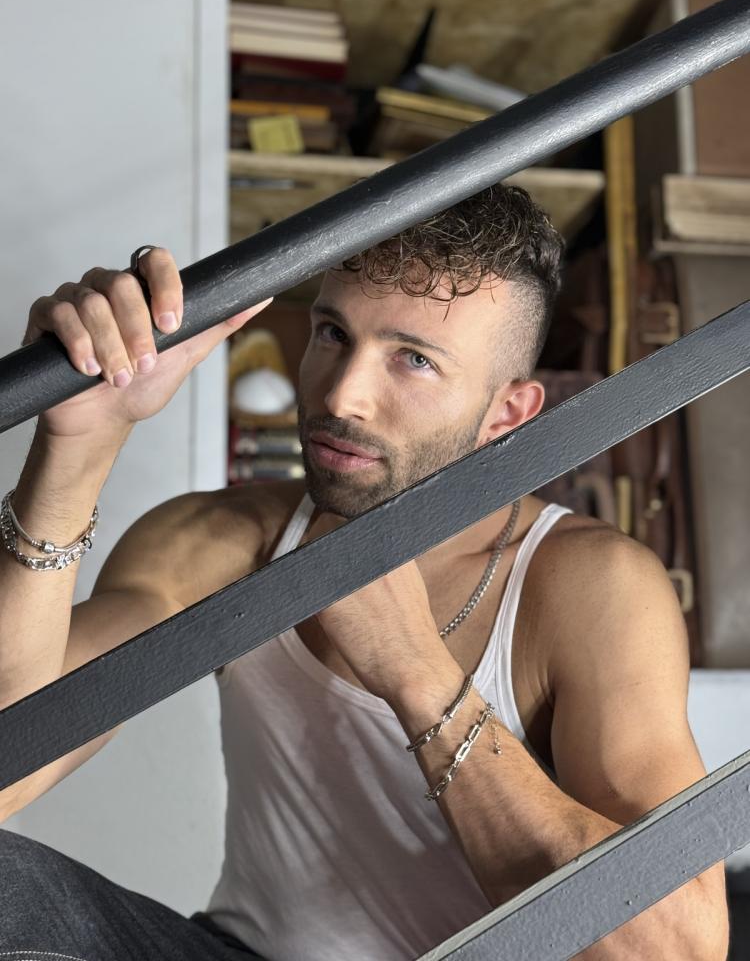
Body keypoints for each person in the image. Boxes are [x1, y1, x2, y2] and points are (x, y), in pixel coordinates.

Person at [0, 185, 729, 961]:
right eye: (333, 333)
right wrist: (77, 448)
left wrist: (417, 673)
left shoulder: (591, 588)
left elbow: (674, 951)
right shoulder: (225, 541)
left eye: (413, 360)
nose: (342, 394)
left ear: (508, 414)